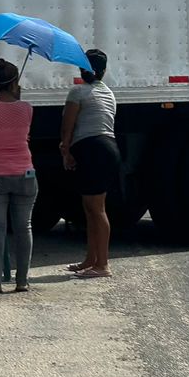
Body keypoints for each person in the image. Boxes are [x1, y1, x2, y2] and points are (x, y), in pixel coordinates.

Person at [0, 58, 36, 293]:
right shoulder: (27, 109)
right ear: (15, 83)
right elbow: (23, 134)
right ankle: (22, 281)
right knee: (25, 227)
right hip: (24, 172)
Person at [61, 48, 118, 279]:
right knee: (90, 208)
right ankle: (91, 259)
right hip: (107, 149)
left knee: (96, 209)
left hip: (92, 150)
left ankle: (102, 264)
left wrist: (65, 150)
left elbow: (68, 125)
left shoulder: (78, 92)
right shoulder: (108, 92)